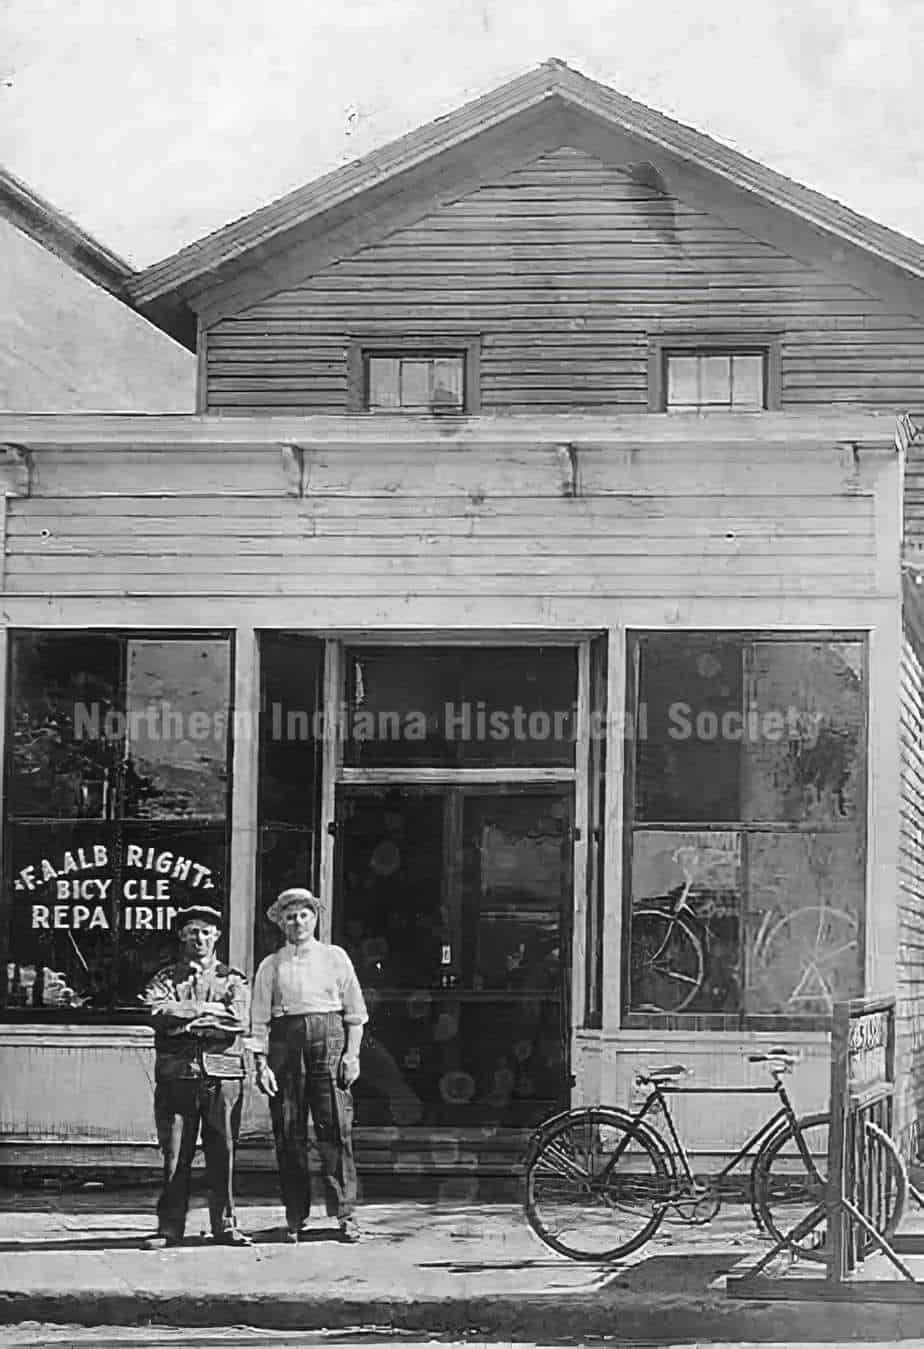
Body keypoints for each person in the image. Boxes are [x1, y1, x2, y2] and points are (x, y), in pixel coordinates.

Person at [250, 887, 368, 1243]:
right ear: (280, 923)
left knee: (335, 1128)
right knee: (289, 1132)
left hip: (329, 1039)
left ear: (315, 918)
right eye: (289, 916)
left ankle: (345, 1214)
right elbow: (257, 1021)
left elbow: (355, 1013)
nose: (297, 921)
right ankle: (295, 1216)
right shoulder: (271, 965)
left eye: (303, 914)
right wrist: (261, 1064)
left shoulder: (335, 957)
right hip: (285, 1043)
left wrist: (352, 1055)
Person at [139, 904, 252, 1248]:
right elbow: (155, 1011)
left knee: (223, 1152)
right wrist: (205, 1010)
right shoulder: (164, 978)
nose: (199, 938)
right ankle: (170, 1228)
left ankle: (226, 1225)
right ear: (181, 936)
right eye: (192, 932)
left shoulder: (233, 978)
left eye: (206, 931)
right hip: (178, 1076)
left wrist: (184, 1019)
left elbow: (238, 1021)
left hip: (223, 1075)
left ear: (217, 936)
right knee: (175, 1154)